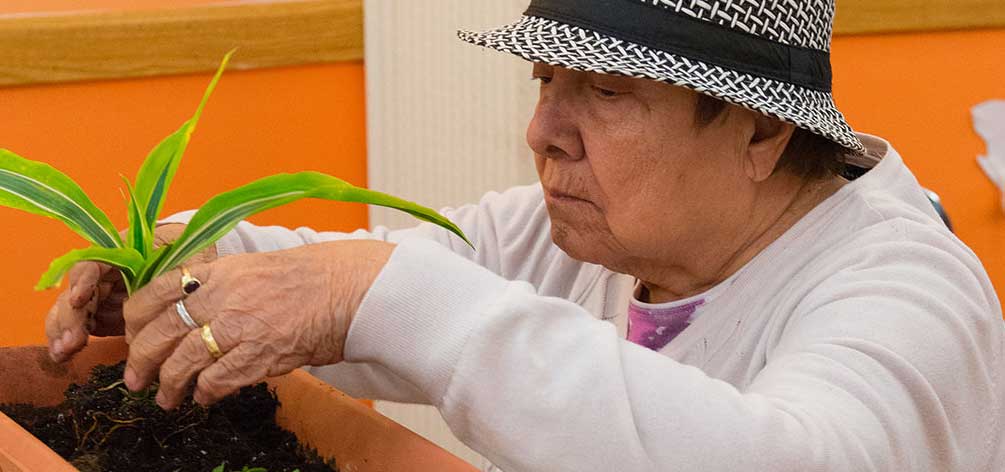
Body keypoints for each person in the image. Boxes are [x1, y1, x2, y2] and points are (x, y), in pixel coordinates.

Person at [45, 0, 1005, 470]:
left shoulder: (904, 290)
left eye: (606, 90)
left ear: (761, 129)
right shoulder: (587, 236)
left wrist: (380, 297)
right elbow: (391, 282)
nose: (544, 131)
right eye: (546, 80)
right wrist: (192, 257)